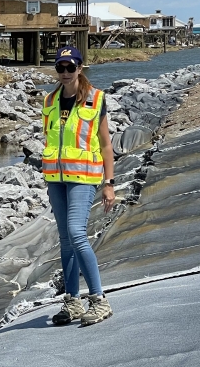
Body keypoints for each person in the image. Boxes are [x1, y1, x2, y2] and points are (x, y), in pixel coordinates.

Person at [41, 45, 116, 327]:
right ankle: (72, 301)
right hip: (56, 179)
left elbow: (107, 145)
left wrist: (109, 183)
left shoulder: (96, 99)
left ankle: (99, 300)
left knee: (76, 233)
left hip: (84, 178)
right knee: (65, 240)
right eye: (60, 67)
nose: (65, 72)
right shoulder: (49, 101)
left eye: (70, 67)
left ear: (80, 68)